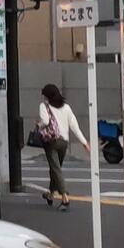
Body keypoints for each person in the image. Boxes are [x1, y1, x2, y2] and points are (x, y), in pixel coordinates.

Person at [36, 83, 88, 211]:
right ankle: (50, 194)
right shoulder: (66, 107)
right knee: (55, 168)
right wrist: (84, 143)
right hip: (64, 143)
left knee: (56, 169)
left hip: (51, 142)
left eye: (44, 96)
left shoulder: (44, 106)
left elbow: (46, 121)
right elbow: (74, 126)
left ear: (48, 96)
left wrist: (39, 124)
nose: (43, 98)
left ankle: (65, 198)